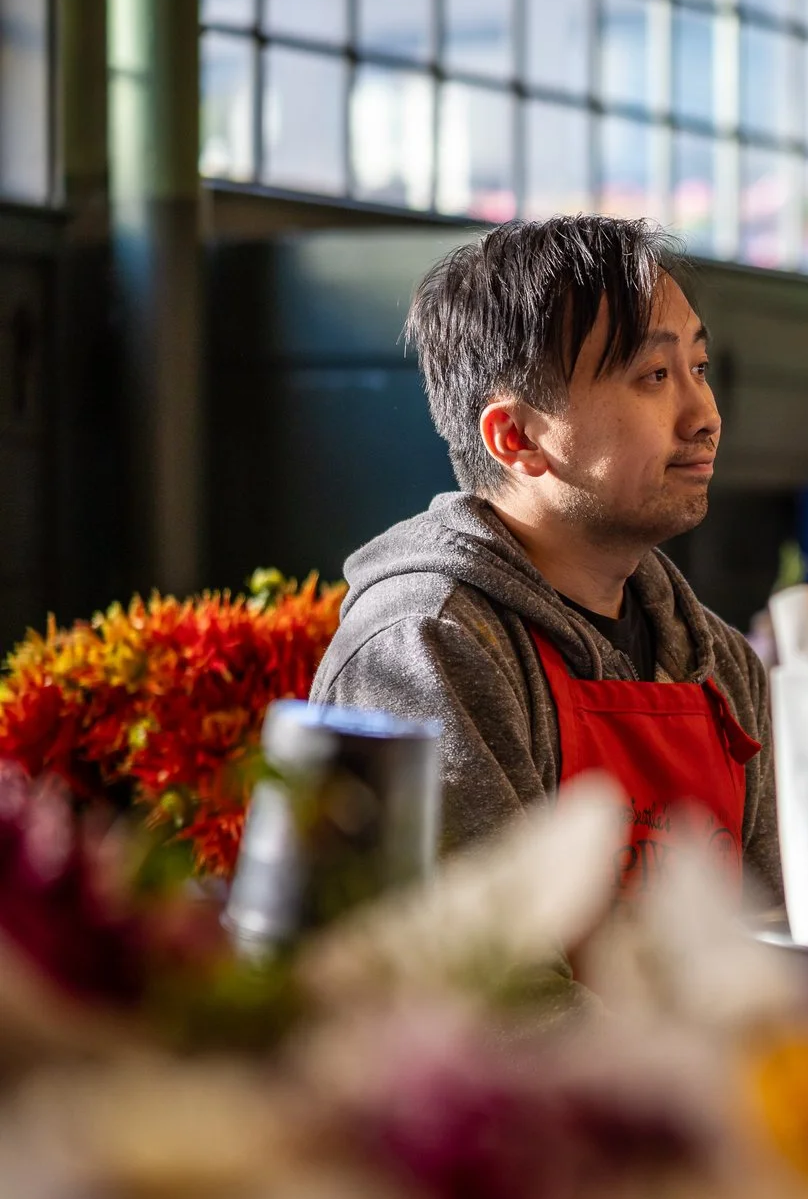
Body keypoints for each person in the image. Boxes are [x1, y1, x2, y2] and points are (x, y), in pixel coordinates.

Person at [310, 216, 779, 902]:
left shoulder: (723, 664)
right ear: (517, 437)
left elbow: (766, 931)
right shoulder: (426, 648)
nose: (704, 414)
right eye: (654, 374)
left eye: (698, 369)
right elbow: (490, 962)